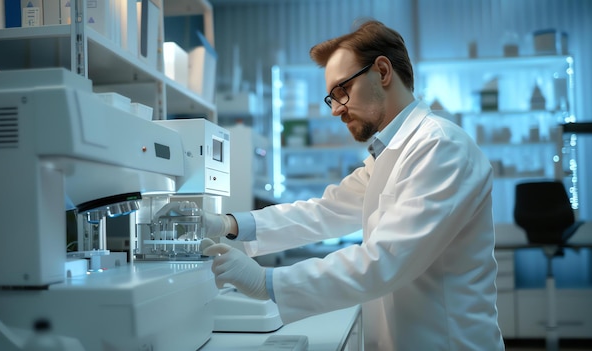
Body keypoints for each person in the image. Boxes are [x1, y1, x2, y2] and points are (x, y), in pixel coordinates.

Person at [201, 19, 504, 350]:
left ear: (383, 72)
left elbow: (386, 260)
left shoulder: (441, 147)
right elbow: (325, 211)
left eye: (341, 90)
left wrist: (267, 282)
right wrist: (229, 224)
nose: (336, 110)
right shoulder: (388, 154)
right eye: (332, 97)